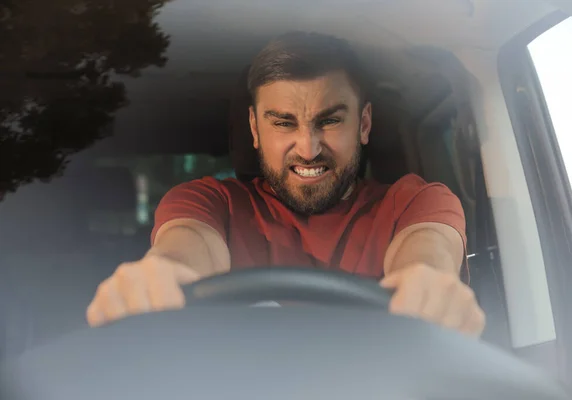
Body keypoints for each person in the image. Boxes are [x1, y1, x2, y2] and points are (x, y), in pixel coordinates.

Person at [86, 31, 485, 336]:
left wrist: (431, 284)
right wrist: (161, 273)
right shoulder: (210, 202)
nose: (308, 149)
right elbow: (186, 246)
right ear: (255, 130)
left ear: (363, 124)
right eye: (283, 123)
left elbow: (429, 252)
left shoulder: (415, 202)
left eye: (329, 121)